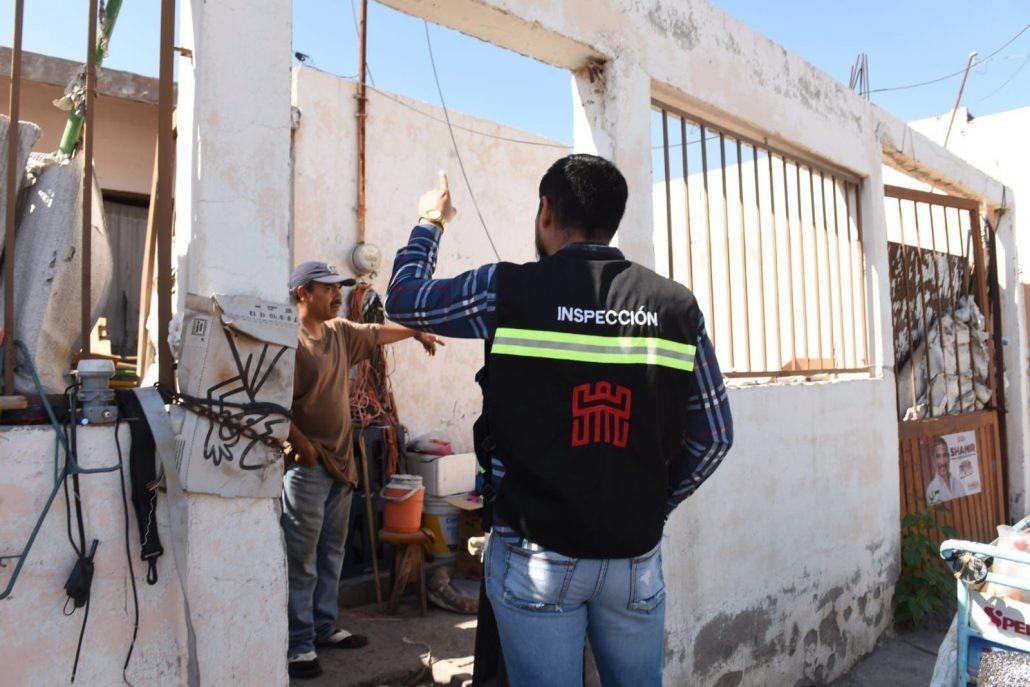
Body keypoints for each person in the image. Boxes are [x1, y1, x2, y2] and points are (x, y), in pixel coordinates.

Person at [385, 158, 733, 686]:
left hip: (536, 556)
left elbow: (404, 301)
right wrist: (650, 502)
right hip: (633, 558)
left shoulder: (506, 291)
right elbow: (714, 437)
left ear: (546, 211)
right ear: (612, 220)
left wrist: (430, 222)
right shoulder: (675, 308)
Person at [283, 260, 442, 680]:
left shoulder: (338, 332)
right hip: (308, 467)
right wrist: (301, 446)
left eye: (339, 289)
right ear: (303, 293)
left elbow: (375, 333)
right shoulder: (288, 341)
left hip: (341, 464)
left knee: (331, 551)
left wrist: (414, 332)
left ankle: (323, 626)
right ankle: (298, 645)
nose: (337, 295)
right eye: (329, 288)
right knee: (301, 559)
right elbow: (273, 405)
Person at [926, 437, 965, 505]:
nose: (942, 462)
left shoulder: (959, 485)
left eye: (944, 455)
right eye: (938, 456)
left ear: (949, 457)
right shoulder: (931, 489)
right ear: (934, 460)